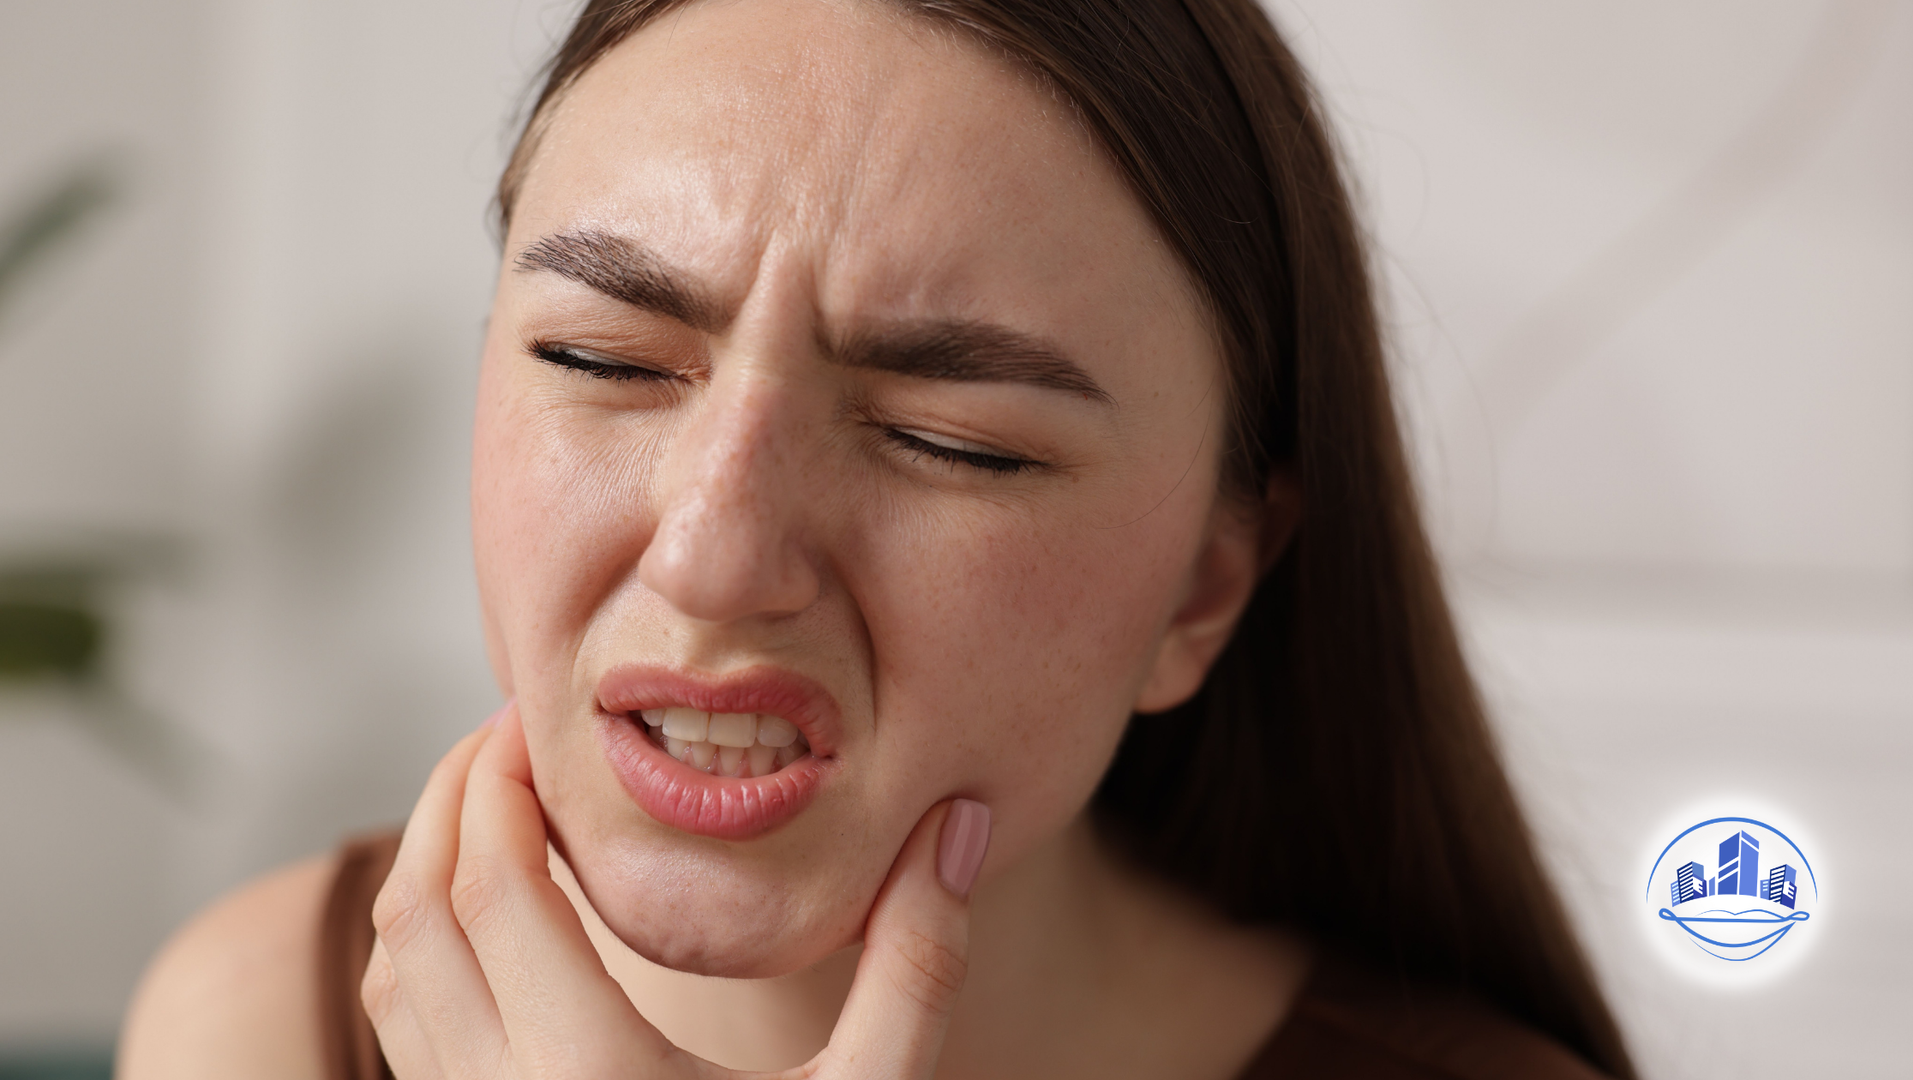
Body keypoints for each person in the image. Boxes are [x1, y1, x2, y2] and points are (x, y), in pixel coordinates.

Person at [119, 0, 1638, 1077]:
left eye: (950, 441)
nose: (714, 556)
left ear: (1205, 586)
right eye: (602, 360)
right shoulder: (267, 1022)